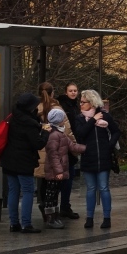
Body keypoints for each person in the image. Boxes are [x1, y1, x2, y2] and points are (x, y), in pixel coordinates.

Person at [0, 92, 50, 233]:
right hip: (24, 162)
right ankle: (26, 224)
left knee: (13, 191)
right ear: (30, 107)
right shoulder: (29, 124)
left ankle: (13, 223)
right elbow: (38, 144)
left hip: (9, 160)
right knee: (27, 191)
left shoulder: (13, 117)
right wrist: (46, 132)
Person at [77, 88, 115, 229]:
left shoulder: (105, 116)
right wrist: (92, 120)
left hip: (103, 157)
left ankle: (107, 217)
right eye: (80, 102)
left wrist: (109, 146)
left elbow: (116, 131)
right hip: (88, 157)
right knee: (90, 188)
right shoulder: (80, 118)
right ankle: (89, 217)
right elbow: (80, 134)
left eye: (83, 102)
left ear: (91, 103)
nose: (80, 105)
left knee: (104, 187)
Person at [41, 108, 84, 229]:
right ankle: (50, 218)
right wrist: (58, 171)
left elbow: (72, 146)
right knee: (51, 195)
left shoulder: (61, 134)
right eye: (63, 119)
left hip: (58, 171)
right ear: (59, 121)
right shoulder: (54, 135)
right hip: (54, 171)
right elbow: (53, 155)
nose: (64, 120)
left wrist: (86, 148)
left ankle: (55, 216)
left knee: (54, 194)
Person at [35, 82, 64, 225]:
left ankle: (45, 207)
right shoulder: (58, 109)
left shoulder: (35, 108)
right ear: (52, 93)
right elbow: (67, 130)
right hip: (55, 151)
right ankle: (51, 214)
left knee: (43, 182)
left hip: (40, 151)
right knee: (53, 186)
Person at [56, 83, 85, 220]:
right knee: (64, 176)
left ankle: (64, 205)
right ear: (66, 91)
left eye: (75, 90)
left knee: (69, 176)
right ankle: (61, 206)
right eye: (70, 90)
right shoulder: (63, 105)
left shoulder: (75, 105)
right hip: (65, 144)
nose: (73, 93)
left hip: (71, 143)